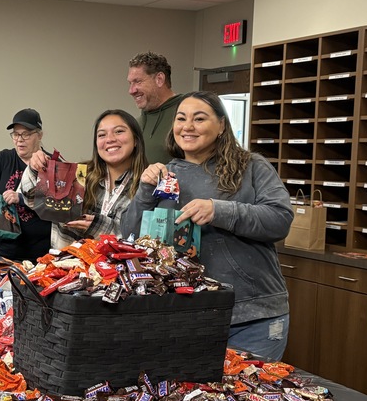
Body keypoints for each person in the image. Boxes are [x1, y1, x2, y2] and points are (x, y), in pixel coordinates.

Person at [122, 91, 293, 362]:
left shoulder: (252, 166)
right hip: (185, 315)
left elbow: (280, 220)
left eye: (199, 118)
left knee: (246, 389)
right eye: (181, 118)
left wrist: (219, 210)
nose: (187, 126)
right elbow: (129, 237)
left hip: (253, 317)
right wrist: (144, 190)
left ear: (221, 125)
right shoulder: (164, 176)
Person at [20, 109, 148, 250]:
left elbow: (145, 242)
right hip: (66, 263)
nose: (110, 139)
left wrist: (99, 227)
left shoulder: (147, 186)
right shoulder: (77, 175)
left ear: (136, 139)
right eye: (102, 135)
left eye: (119, 131)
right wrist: (35, 169)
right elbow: (32, 200)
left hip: (116, 264)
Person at [0, 108, 53, 263]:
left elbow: (55, 205)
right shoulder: (3, 158)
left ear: (39, 135)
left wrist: (20, 198)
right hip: (3, 251)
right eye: (16, 134)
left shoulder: (52, 164)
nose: (19, 140)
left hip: (40, 255)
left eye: (26, 134)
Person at [128, 51, 179, 164]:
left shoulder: (186, 116)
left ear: (159, 79)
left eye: (138, 81)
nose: (131, 91)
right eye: (130, 83)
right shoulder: (136, 124)